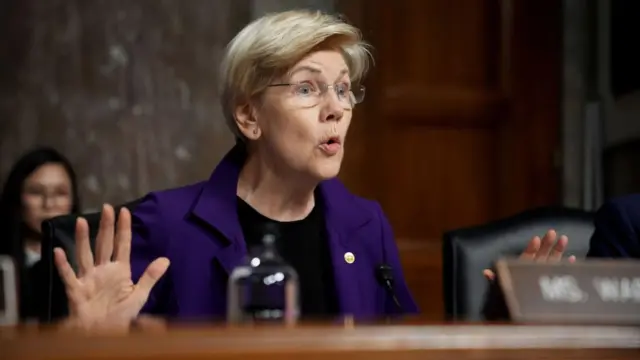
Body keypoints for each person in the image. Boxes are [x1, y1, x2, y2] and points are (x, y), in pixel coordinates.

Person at [53, 10, 569, 331]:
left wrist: (500, 323)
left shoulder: (367, 225)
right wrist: (87, 344)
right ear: (249, 116)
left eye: (343, 89)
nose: (336, 108)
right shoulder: (162, 224)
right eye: (307, 88)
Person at [0, 147, 80, 320]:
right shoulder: (5, 264)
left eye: (60, 193)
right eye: (36, 192)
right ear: (17, 198)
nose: (49, 203)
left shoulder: (85, 260)